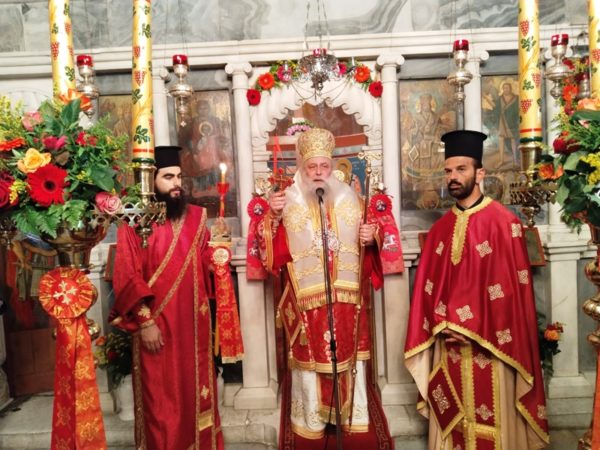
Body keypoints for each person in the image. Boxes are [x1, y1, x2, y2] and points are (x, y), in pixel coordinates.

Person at [404, 130, 549, 449]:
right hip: (448, 349)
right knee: (454, 425)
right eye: (448, 171)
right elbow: (427, 293)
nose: (453, 177)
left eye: (461, 169)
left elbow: (512, 297)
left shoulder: (504, 224)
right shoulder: (440, 230)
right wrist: (443, 326)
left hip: (494, 349)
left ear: (480, 173)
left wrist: (471, 330)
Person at [256, 128, 404, 439]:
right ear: (302, 166)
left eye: (324, 166)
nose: (318, 172)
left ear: (332, 166)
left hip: (345, 297)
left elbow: (372, 236)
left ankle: (348, 414)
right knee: (311, 358)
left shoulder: (351, 197)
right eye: (312, 166)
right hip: (306, 297)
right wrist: (273, 216)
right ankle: (312, 418)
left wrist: (372, 236)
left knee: (346, 354)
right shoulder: (287, 199)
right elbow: (269, 252)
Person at [110, 146, 224, 450]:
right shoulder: (134, 222)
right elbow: (127, 275)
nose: (176, 184)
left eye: (179, 177)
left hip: (193, 326)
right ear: (151, 182)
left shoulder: (196, 217)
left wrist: (217, 256)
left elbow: (203, 260)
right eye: (168, 177)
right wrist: (145, 323)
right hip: (157, 327)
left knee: (194, 393)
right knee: (161, 404)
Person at [496, 81, 519, 168]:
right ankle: (501, 161)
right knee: (501, 139)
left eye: (507, 88)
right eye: (504, 88)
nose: (506, 89)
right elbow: (496, 111)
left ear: (511, 89)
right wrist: (496, 124)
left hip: (512, 122)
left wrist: (517, 121)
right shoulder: (499, 99)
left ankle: (515, 161)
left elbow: (518, 111)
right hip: (502, 122)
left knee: (513, 140)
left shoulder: (516, 98)